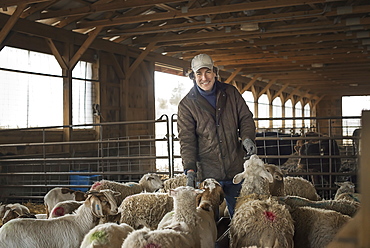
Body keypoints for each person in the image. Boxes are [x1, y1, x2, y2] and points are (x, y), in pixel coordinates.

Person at [177, 53, 256, 218]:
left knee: (242, 217)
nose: (204, 78)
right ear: (193, 76)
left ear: (215, 72)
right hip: (208, 174)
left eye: (208, 72)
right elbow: (187, 140)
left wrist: (247, 137)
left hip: (235, 169)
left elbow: (245, 118)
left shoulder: (230, 93)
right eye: (199, 73)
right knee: (208, 220)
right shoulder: (187, 105)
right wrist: (190, 168)